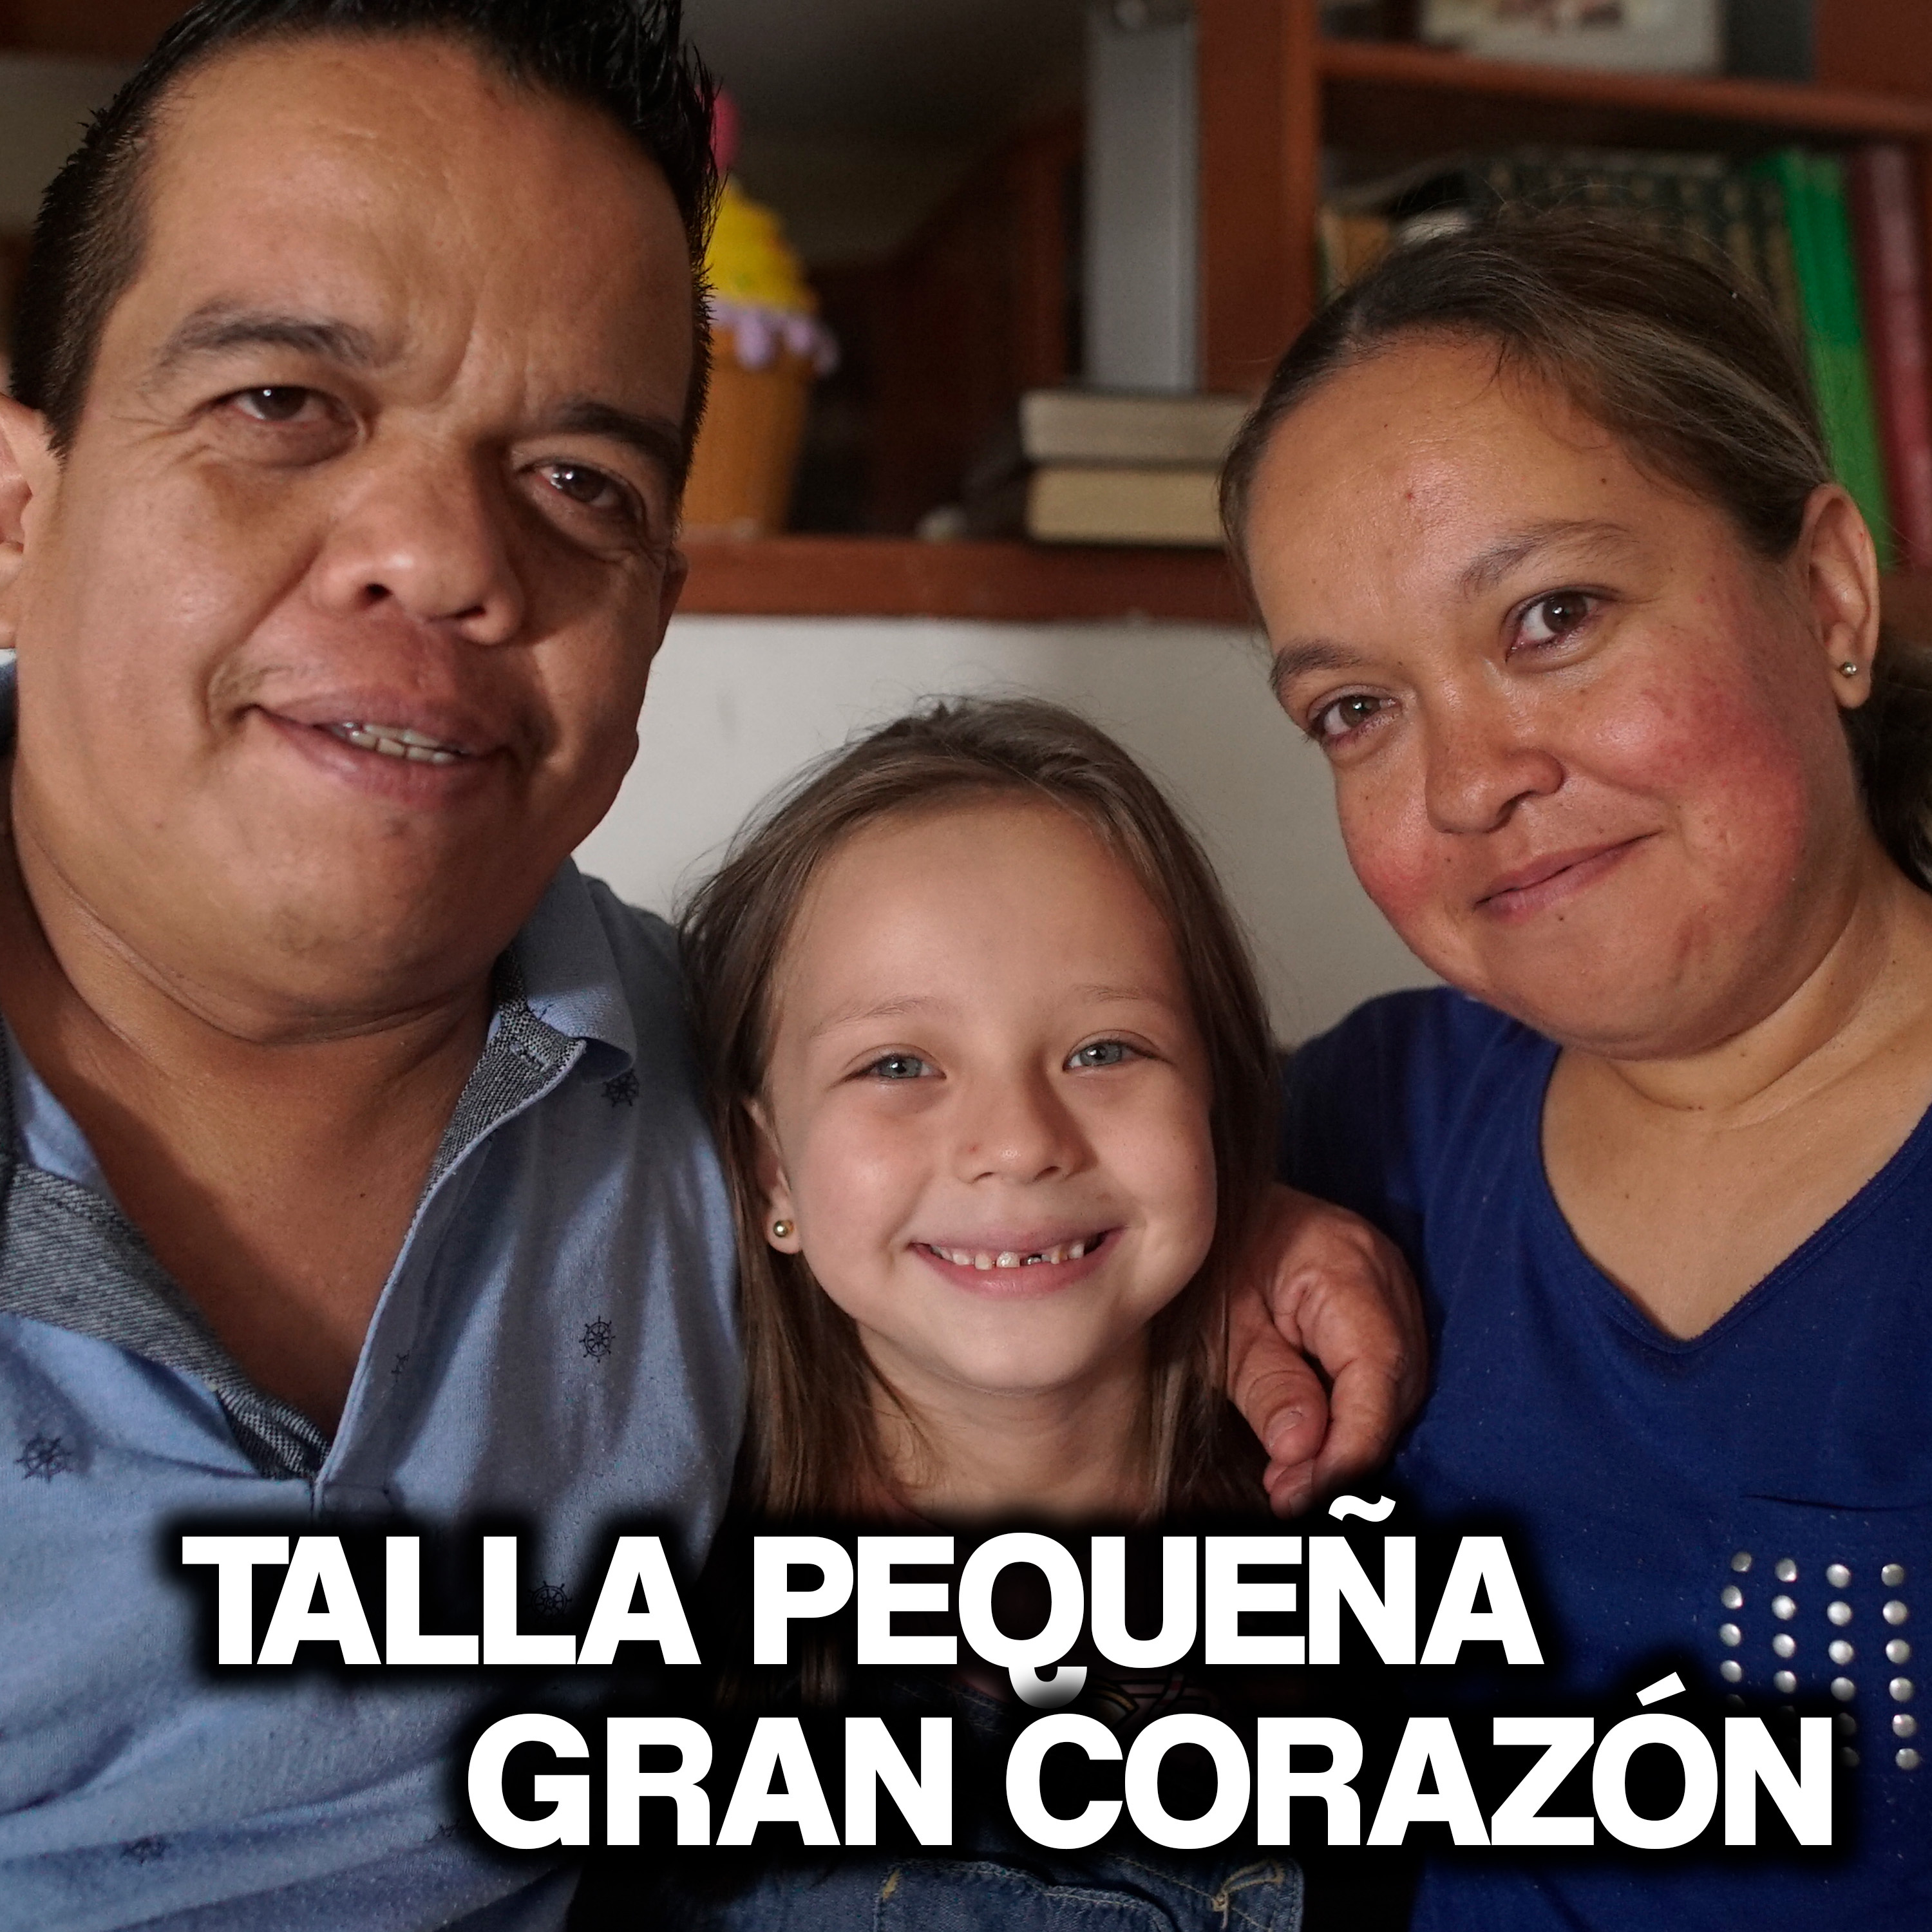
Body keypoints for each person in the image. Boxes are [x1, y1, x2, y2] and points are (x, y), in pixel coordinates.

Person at [0, 3, 1418, 1926]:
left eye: (580, 481)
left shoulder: (706, 1077)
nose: (442, 554)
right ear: (21, 510)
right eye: (282, 405)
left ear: (656, 614)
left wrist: (1217, 1237)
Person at [1221, 213, 1932, 1930]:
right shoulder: (1369, 1123)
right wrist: (1202, 1244)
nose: (1469, 781)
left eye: (1554, 616)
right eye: (1356, 710)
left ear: (1829, 597)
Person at [582, 694, 1298, 1930]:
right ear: (769, 1172)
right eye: (898, 1065)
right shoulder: (640, 1640)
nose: (1017, 1142)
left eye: (1106, 1050)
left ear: (1217, 1109)